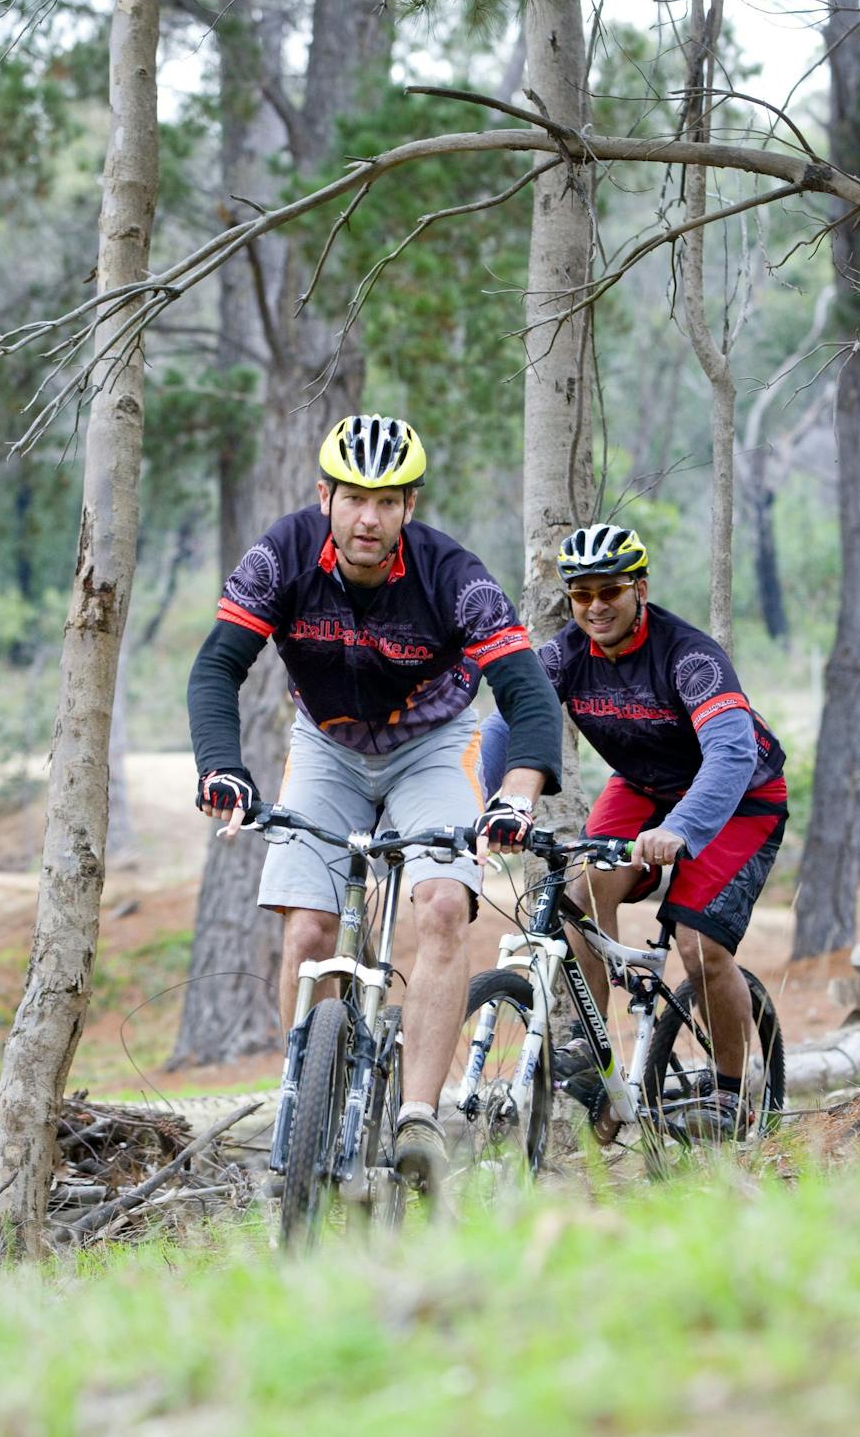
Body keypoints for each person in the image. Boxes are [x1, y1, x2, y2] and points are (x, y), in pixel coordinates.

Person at [188, 413, 563, 1185]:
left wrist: (516, 797)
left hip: (433, 745)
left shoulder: (453, 575)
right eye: (354, 498)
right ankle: (306, 1106)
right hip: (326, 744)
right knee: (309, 933)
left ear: (409, 508)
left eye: (387, 501)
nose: (369, 517)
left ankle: (418, 1119)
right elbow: (216, 669)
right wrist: (221, 767)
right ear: (323, 496)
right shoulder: (280, 556)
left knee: (442, 907)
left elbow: (526, 694)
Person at [480, 524, 788, 1141]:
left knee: (701, 951)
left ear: (639, 589)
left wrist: (681, 830)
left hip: (741, 798)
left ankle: (731, 1094)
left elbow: (729, 755)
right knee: (579, 896)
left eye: (610, 592)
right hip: (645, 786)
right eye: (582, 595)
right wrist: (503, 807)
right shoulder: (565, 656)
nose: (596, 606)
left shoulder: (690, 656)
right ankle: (598, 1058)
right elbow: (504, 726)